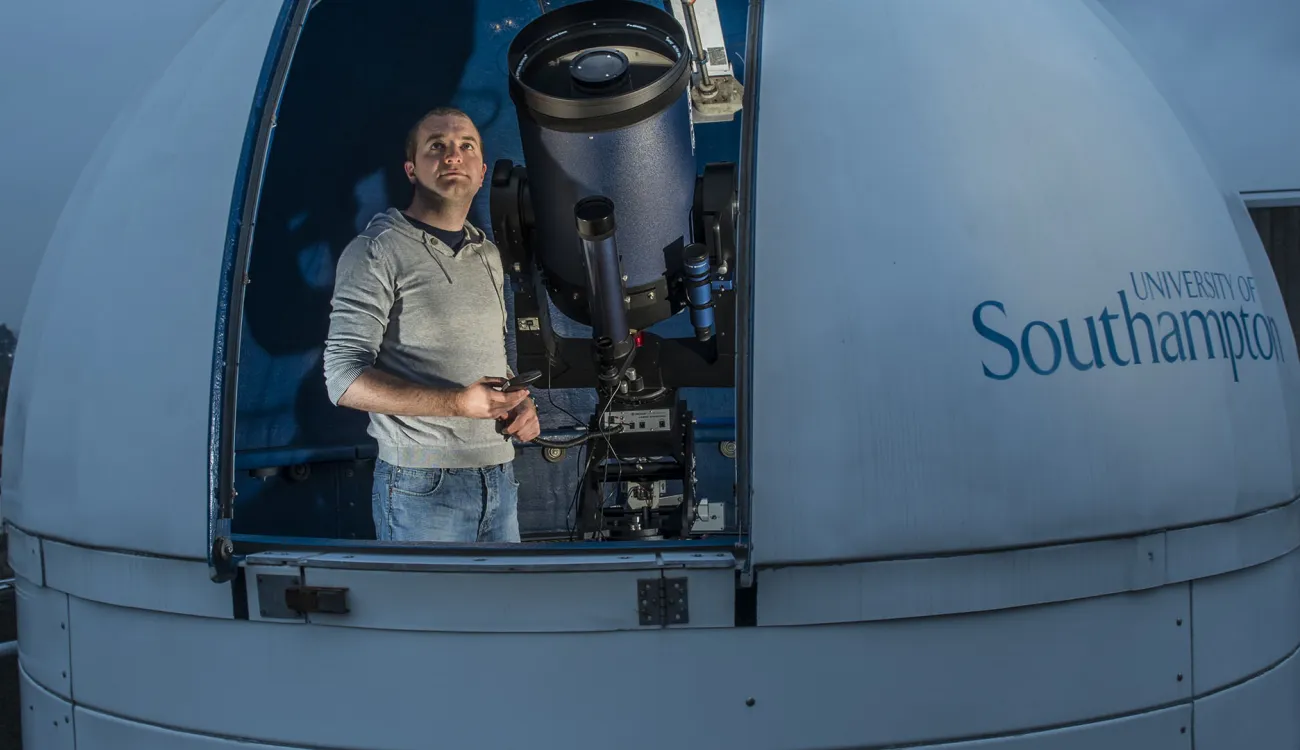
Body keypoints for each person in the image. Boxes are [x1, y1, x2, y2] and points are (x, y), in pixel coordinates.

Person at [323, 106, 540, 543]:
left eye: (465, 147)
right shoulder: (376, 251)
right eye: (436, 147)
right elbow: (342, 380)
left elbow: (486, 363)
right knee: (426, 613)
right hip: (420, 485)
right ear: (411, 169)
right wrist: (458, 405)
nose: (452, 156)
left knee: (506, 613)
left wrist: (517, 405)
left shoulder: (489, 256)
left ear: (481, 172)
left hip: (499, 476)